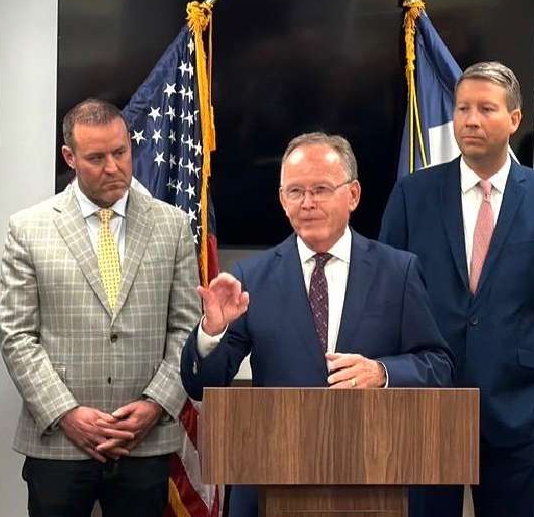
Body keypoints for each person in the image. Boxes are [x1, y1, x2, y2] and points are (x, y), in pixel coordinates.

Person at [181, 132, 454, 517]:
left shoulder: (398, 271)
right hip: (272, 479)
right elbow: (202, 384)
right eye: (295, 191)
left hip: (373, 476)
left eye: (321, 189)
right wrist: (212, 332)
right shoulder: (251, 277)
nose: (307, 203)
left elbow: (438, 365)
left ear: (353, 195)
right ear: (282, 200)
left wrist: (381, 372)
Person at [378, 62, 534, 517]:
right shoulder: (414, 194)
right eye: (462, 108)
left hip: (520, 414)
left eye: (486, 109)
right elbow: (385, 297)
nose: (470, 120)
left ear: (515, 119)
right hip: (425, 413)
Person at [0, 98, 200, 517]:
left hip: (144, 442)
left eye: (121, 152)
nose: (113, 167)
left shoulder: (173, 226)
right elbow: (17, 336)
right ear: (69, 157)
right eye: (96, 157)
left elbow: (185, 328)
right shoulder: (29, 228)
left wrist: (154, 405)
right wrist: (66, 413)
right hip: (58, 443)